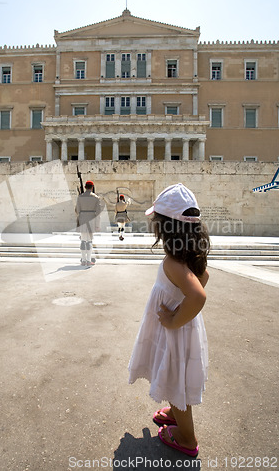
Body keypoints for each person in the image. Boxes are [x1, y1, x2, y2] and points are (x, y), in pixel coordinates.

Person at [128, 183, 210, 457]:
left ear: (166, 228)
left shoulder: (172, 263)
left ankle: (186, 438)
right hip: (179, 330)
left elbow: (198, 296)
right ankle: (176, 413)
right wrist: (178, 306)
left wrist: (175, 320)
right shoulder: (187, 257)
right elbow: (204, 280)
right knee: (173, 374)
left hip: (174, 330)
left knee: (176, 379)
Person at [75, 180, 101, 267]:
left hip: (82, 220)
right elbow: (98, 213)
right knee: (89, 241)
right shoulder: (96, 198)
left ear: (85, 187)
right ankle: (88, 260)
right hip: (92, 221)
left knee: (83, 240)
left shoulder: (80, 197)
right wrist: (97, 225)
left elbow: (77, 210)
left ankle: (83, 260)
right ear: (92, 187)